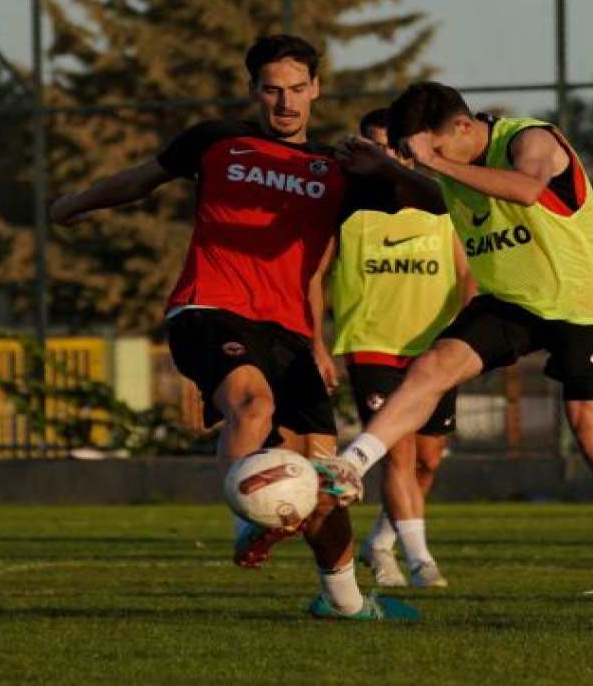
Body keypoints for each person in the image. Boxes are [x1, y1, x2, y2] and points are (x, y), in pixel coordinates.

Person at [49, 35, 417, 621]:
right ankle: (245, 518)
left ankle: (345, 603)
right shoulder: (217, 140)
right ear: (252, 90)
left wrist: (387, 165)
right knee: (252, 402)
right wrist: (74, 203)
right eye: (271, 89)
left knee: (321, 487)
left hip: (290, 333)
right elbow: (139, 180)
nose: (285, 102)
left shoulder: (339, 170)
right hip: (208, 308)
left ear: (316, 90)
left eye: (297, 88)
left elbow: (434, 201)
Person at [331, 81, 593, 631]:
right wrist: (387, 169)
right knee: (435, 366)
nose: (429, 163)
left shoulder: (530, 139)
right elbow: (437, 198)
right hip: (515, 299)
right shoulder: (454, 166)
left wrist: (434, 164)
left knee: (592, 430)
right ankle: (351, 464)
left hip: (583, 300)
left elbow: (526, 190)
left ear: (461, 128)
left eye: (433, 150)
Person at [315, 107, 474, 589]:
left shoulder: (441, 209)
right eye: (377, 147)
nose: (389, 157)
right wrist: (316, 343)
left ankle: (381, 543)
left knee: (427, 462)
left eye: (396, 147)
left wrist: (468, 336)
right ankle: (422, 561)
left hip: (435, 350)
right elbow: (313, 276)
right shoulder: (350, 212)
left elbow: (468, 277)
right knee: (398, 455)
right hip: (372, 345)